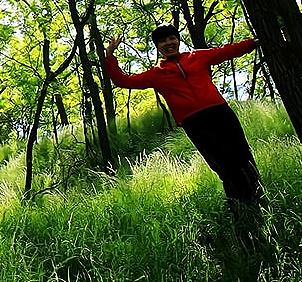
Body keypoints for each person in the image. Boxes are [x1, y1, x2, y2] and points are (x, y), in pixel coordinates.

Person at [105, 24, 263, 218]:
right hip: (195, 122)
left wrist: (255, 42)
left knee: (243, 155)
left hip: (221, 113)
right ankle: (239, 209)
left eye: (172, 38)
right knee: (223, 163)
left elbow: (228, 51)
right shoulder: (156, 74)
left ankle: (259, 198)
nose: (168, 43)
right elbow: (123, 81)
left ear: (178, 40)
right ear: (157, 47)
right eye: (162, 41)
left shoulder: (198, 57)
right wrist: (110, 56)